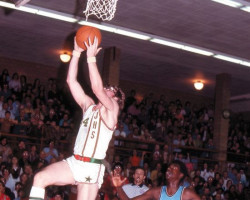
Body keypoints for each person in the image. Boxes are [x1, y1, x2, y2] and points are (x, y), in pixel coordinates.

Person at [29, 37, 125, 200]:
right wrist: (76, 53)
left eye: (112, 89)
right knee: (40, 178)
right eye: (108, 86)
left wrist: (91, 57)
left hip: (91, 166)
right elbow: (70, 81)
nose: (107, 88)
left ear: (116, 99)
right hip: (75, 161)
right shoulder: (89, 106)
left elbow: (96, 88)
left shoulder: (113, 109)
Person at [112, 160, 200, 200]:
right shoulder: (157, 192)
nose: (169, 169)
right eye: (169, 167)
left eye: (174, 168)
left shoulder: (187, 194)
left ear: (181, 175)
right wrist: (119, 187)